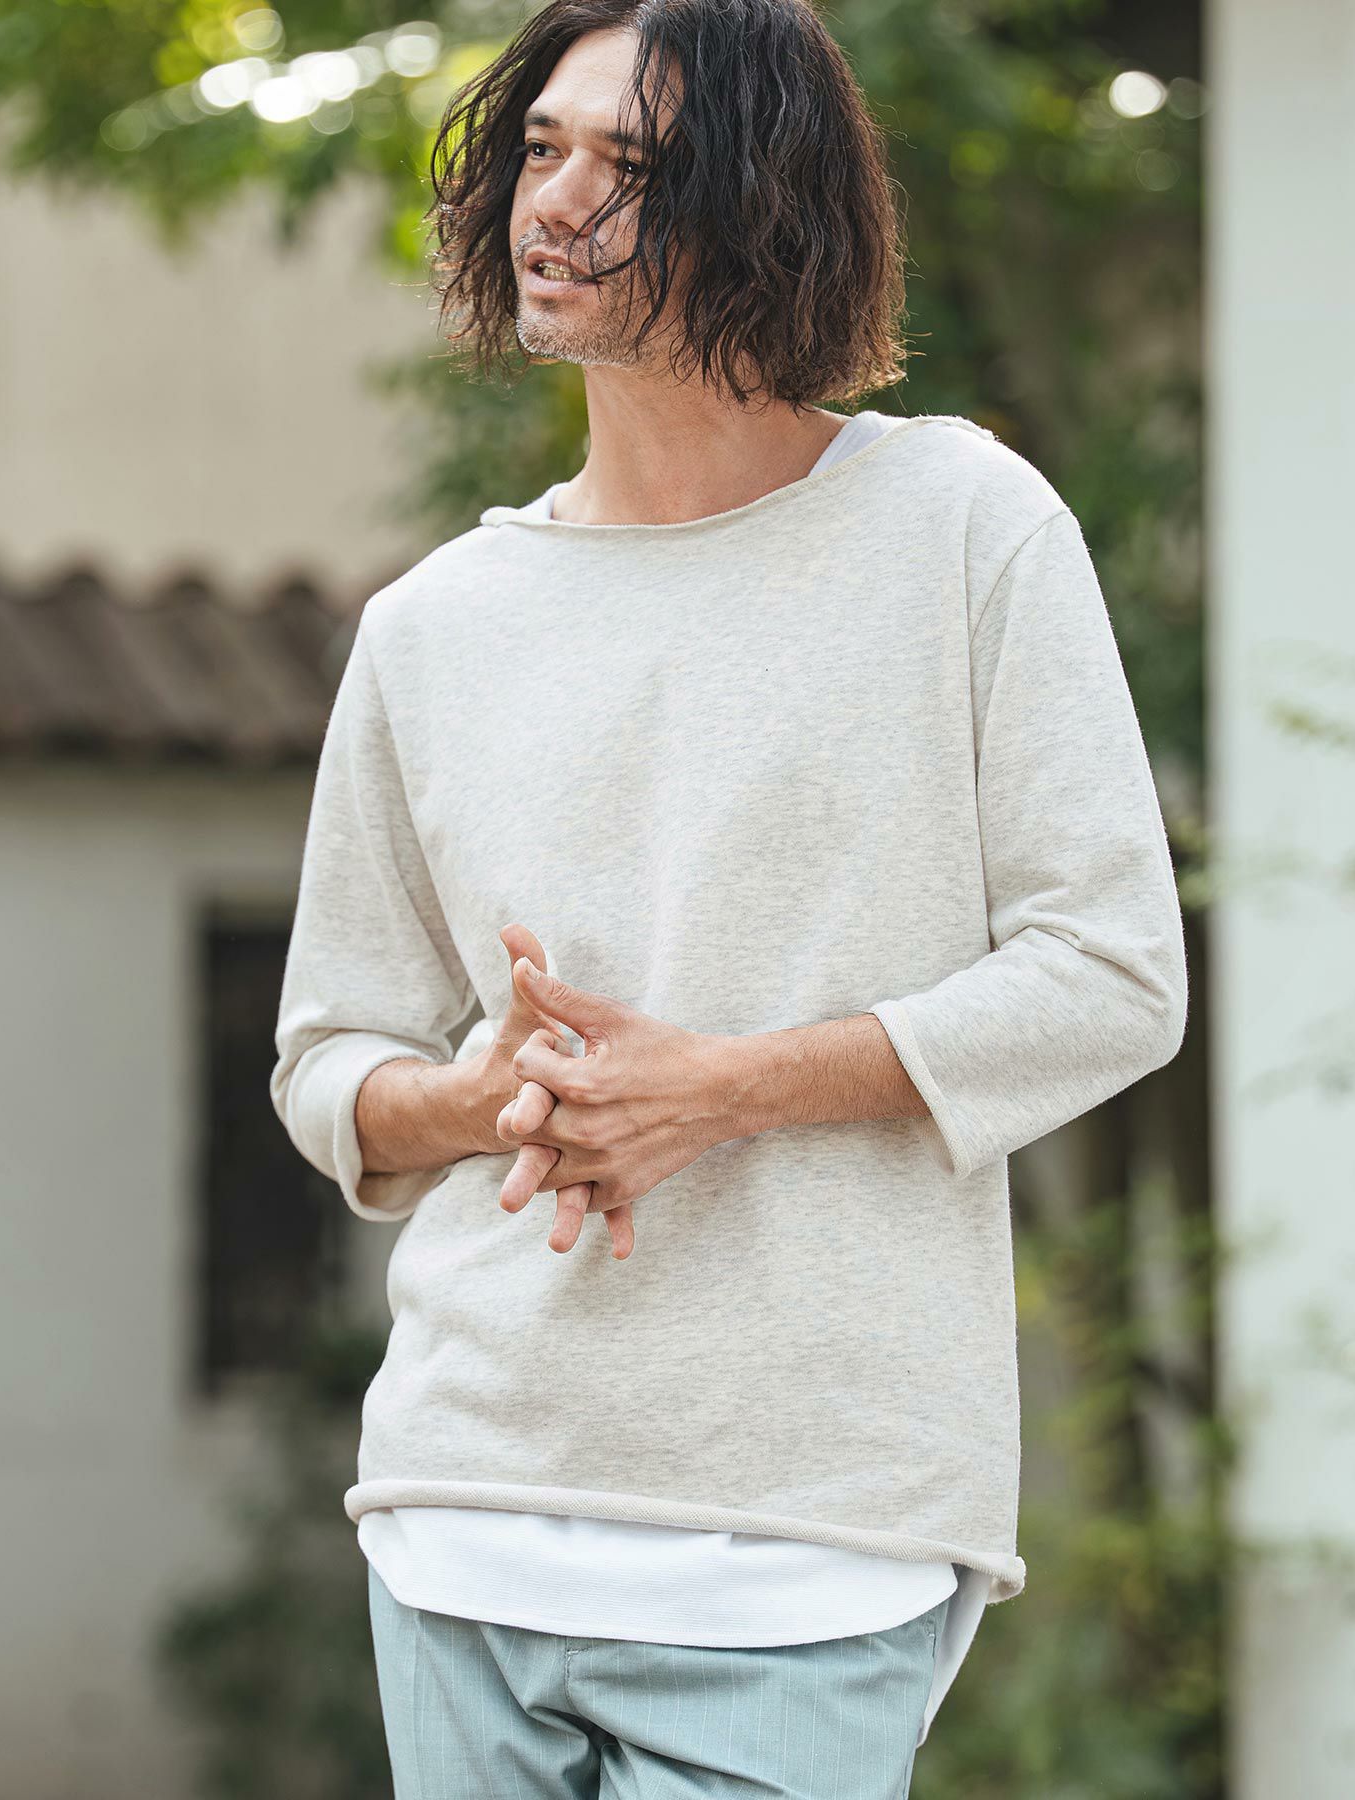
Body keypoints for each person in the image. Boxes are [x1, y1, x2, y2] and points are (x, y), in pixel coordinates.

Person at [268, 1, 1190, 1794]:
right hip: (462, 1516)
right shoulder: (434, 626)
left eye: (627, 164)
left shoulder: (964, 527)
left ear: (766, 204)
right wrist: (469, 1099)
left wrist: (728, 1087)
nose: (556, 203)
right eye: (543, 149)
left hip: (809, 1539)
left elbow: (1109, 974)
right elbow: (330, 1057)